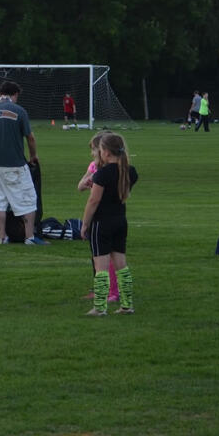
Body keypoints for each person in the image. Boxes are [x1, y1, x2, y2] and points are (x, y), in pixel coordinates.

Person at [0, 80, 47, 245]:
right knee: (28, 200)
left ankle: (3, 237)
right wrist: (33, 156)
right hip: (15, 164)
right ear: (15, 94)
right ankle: (29, 237)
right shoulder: (18, 111)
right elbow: (30, 137)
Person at [79, 131, 138, 316]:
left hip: (102, 222)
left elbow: (93, 201)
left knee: (101, 266)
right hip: (120, 220)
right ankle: (127, 304)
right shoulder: (130, 171)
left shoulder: (102, 174)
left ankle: (100, 307)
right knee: (121, 264)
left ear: (105, 153)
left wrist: (85, 223)